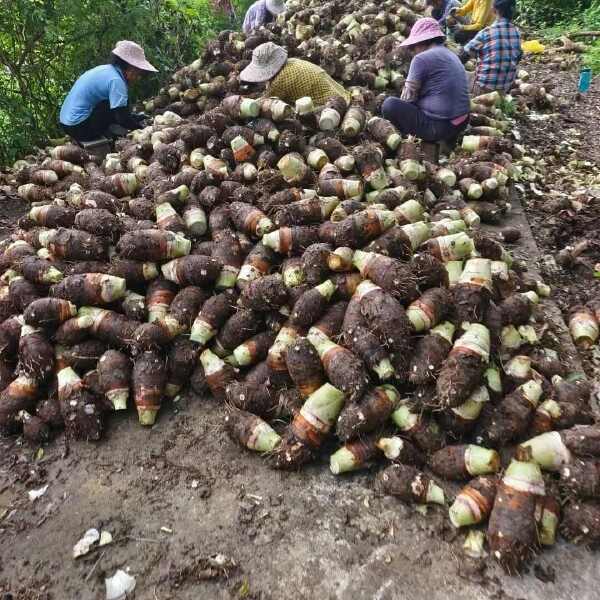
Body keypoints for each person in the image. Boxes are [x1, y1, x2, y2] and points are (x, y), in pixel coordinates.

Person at [381, 18, 470, 144]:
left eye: (413, 46)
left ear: (422, 42)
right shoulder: (451, 54)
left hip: (440, 126)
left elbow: (408, 99)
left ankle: (427, 140)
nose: (412, 51)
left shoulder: (420, 59)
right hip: (462, 121)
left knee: (390, 105)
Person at [59, 41, 157, 143]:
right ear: (130, 68)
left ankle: (113, 128)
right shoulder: (116, 81)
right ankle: (108, 134)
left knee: (118, 103)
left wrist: (135, 117)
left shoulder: (107, 70)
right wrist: (141, 128)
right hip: (79, 128)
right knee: (118, 106)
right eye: (137, 73)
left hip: (67, 123)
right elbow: (122, 118)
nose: (138, 78)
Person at [240, 42, 350, 107]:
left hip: (331, 105)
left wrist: (246, 100)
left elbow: (264, 102)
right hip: (340, 94)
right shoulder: (291, 61)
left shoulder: (279, 81)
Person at [460, 0, 522, 95]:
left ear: (494, 10)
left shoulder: (486, 32)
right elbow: (517, 58)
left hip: (483, 88)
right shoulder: (517, 33)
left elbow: (463, 57)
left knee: (457, 72)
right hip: (504, 88)